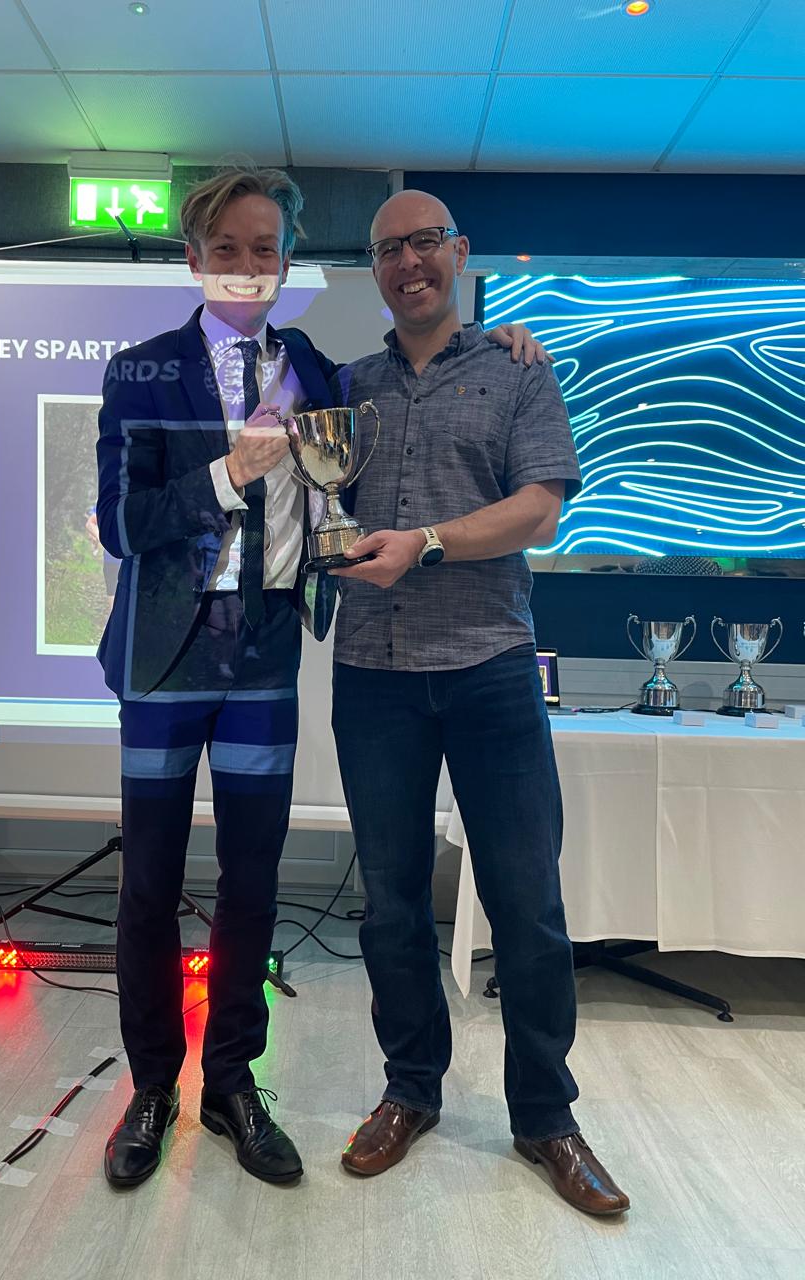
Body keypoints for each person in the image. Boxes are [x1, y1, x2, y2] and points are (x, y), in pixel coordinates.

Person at [95, 165, 546, 1191]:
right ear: (193, 258)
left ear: (287, 261)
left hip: (261, 657)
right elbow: (121, 524)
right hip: (161, 663)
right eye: (226, 248)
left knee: (252, 881)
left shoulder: (315, 369)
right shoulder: (139, 371)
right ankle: (152, 1085)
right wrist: (228, 473)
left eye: (266, 248)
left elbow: (408, 393)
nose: (246, 265)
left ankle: (230, 1082)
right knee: (149, 883)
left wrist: (509, 341)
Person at [329, 191, 629, 1216]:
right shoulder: (348, 388)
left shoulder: (517, 370)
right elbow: (310, 499)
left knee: (527, 904)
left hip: (490, 667)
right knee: (392, 905)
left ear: (458, 252)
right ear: (375, 267)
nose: (408, 262)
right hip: (373, 671)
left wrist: (425, 542)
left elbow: (540, 509)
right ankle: (410, 1089)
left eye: (425, 242)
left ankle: (545, 1114)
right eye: (388, 249)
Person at [85, 503, 119, 618]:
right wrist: (101, 539)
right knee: (113, 588)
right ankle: (115, 620)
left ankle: (115, 620)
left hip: (117, 556)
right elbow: (91, 523)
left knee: (113, 588)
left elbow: (90, 523)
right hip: (115, 557)